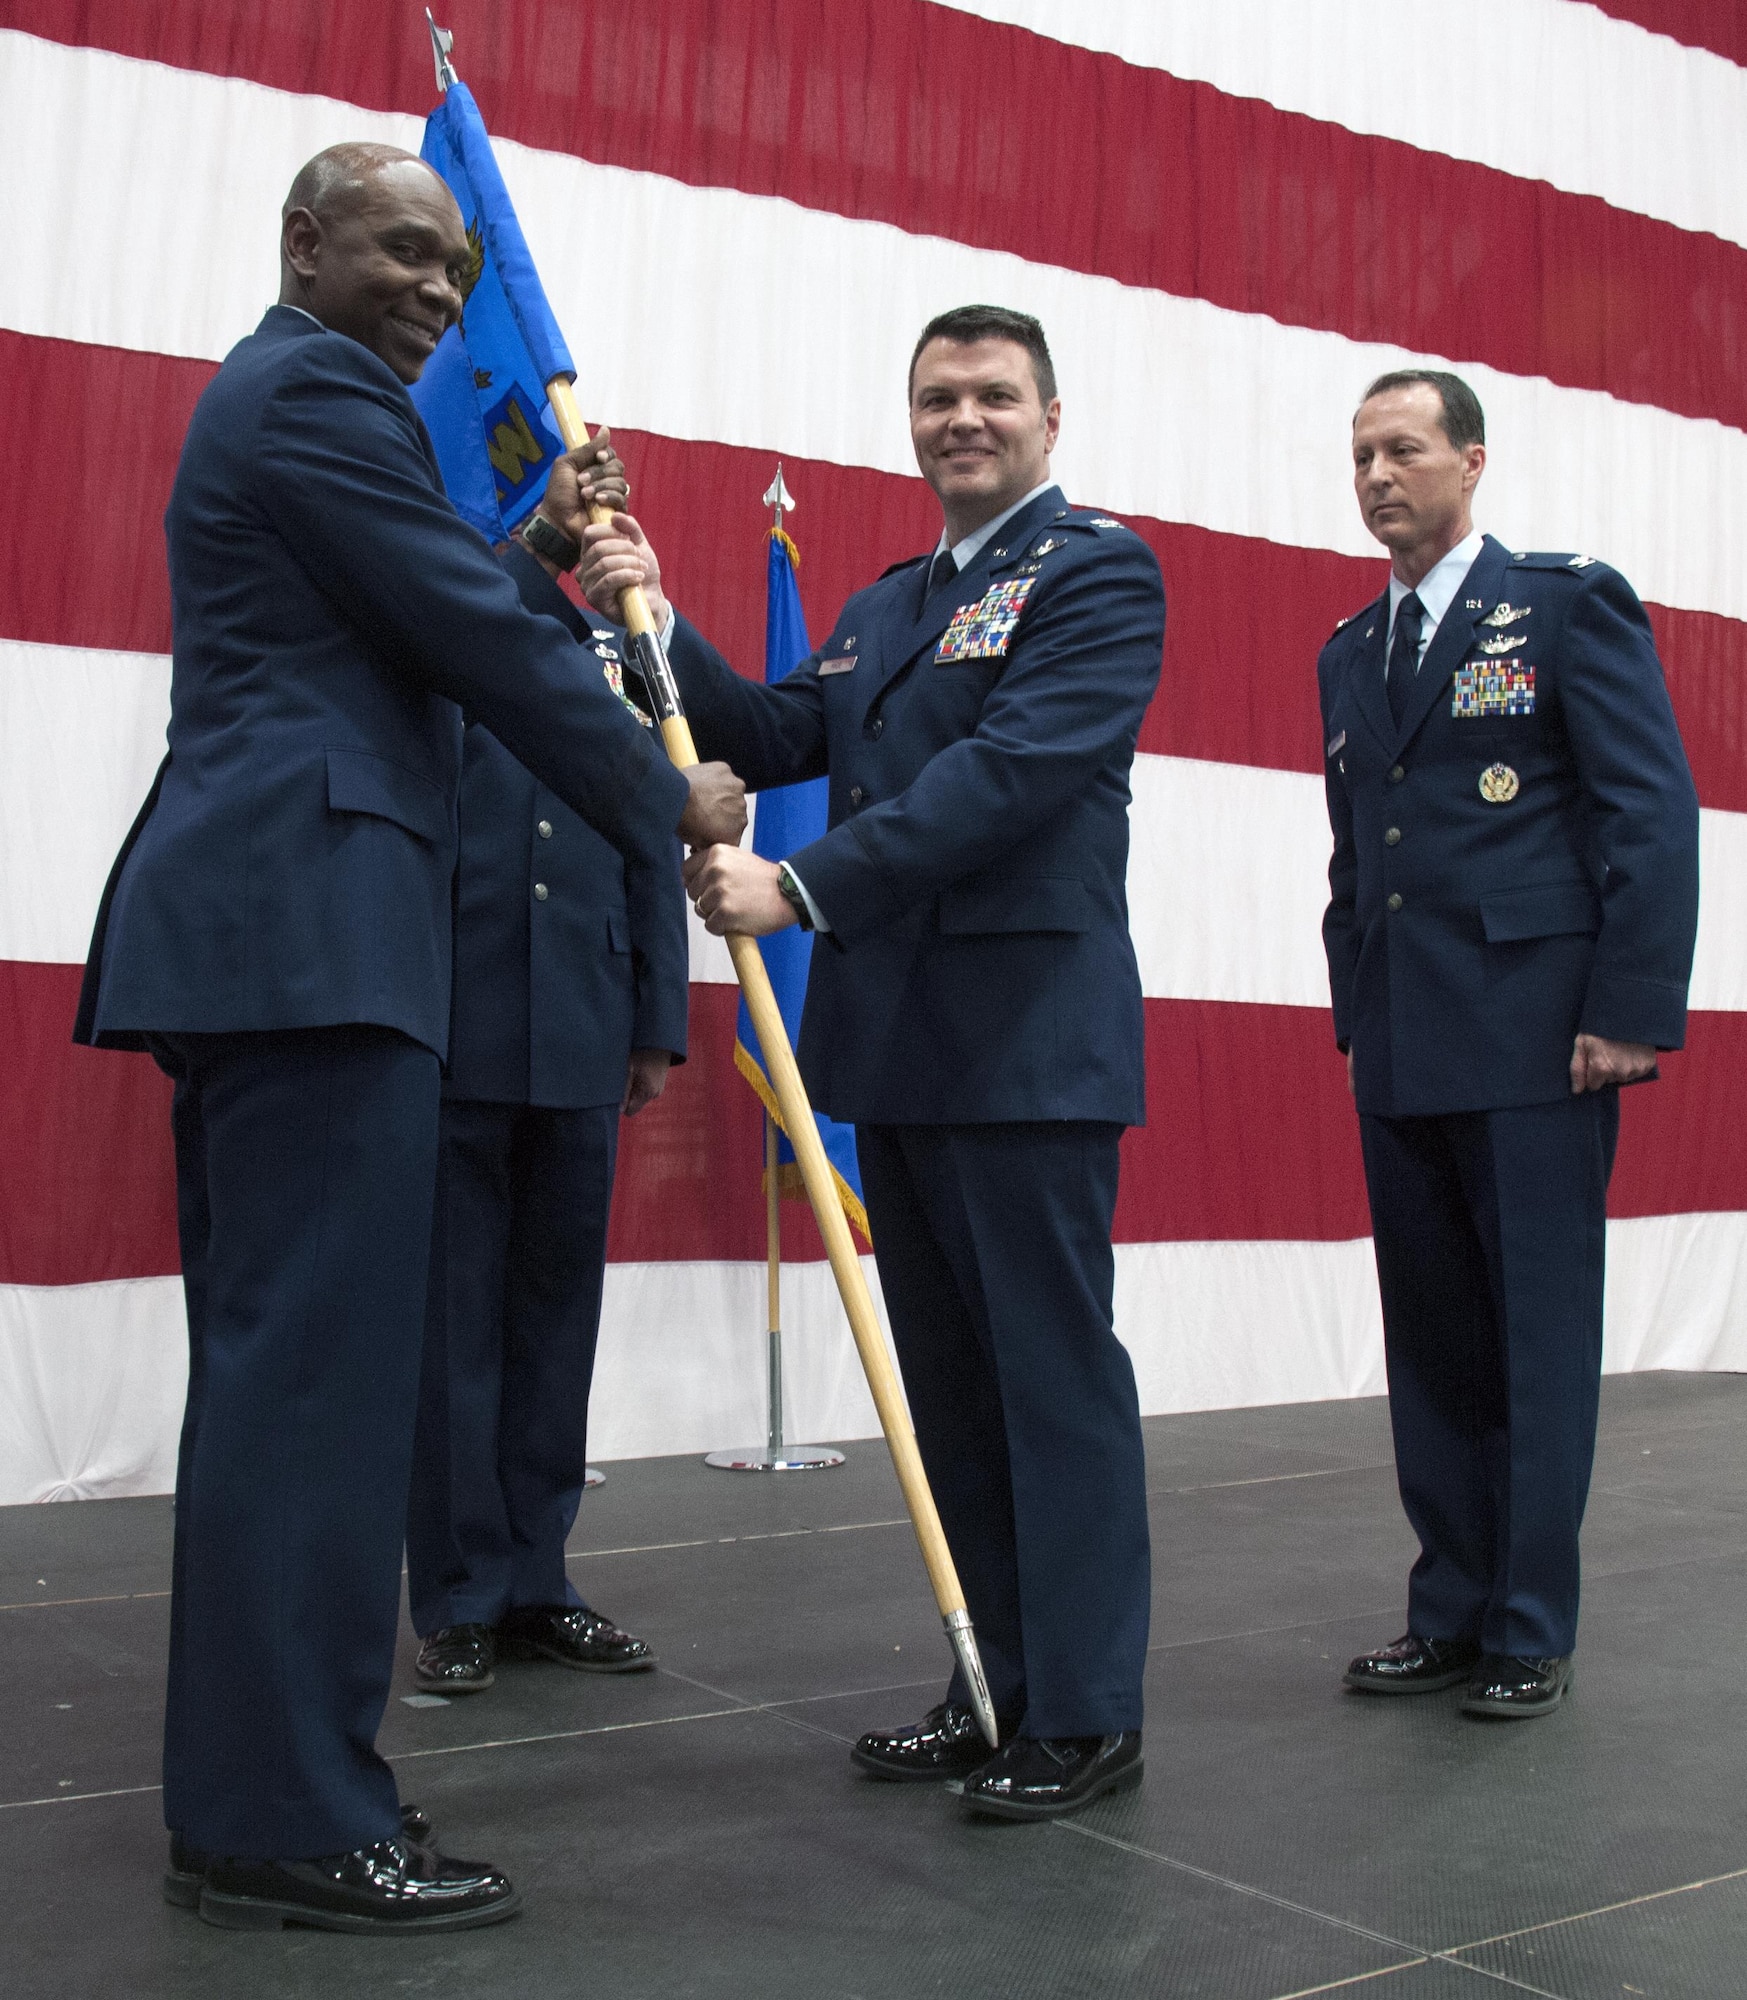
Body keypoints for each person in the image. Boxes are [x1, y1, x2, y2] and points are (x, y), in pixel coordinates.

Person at [72, 143, 743, 1931]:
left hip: (290, 938)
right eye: (402, 251)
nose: (442, 291)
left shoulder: (302, 407)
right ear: (303, 245)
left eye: (456, 264)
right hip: (311, 937)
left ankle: (256, 1793)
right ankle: (287, 1813)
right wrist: (672, 792)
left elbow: (432, 597)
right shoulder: (313, 399)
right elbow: (465, 641)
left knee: (291, 1395)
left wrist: (524, 556)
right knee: (318, 1402)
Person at [579, 305, 1164, 1821]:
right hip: (899, 1053)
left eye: (988, 395)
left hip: (1027, 1048)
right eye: (934, 398)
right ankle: (994, 1691)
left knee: (1050, 1384)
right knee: (953, 1399)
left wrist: (804, 890)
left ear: (1049, 414)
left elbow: (1011, 774)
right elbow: (777, 730)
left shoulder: (1096, 571)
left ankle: (1084, 1711)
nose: (959, 418)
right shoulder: (889, 602)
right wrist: (650, 604)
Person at [1318, 369, 1699, 1718]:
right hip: (1404, 1037)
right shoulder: (1347, 653)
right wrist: (1351, 1013)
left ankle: (1528, 1621)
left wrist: (1626, 1009)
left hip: (1539, 1038)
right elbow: (1356, 859)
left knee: (1533, 1340)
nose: (1376, 474)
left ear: (1468, 461)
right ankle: (1449, 1607)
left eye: (1402, 448)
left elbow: (1646, 811)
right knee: (1430, 1340)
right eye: (1360, 452)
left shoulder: (1557, 605)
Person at [406, 541, 686, 1696]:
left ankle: (540, 1580)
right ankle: (462, 1595)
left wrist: (655, 1017)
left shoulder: (615, 648)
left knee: (555, 1318)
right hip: (460, 1009)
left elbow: (648, 827)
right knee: (454, 1323)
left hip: (581, 1011)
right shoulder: (447, 623)